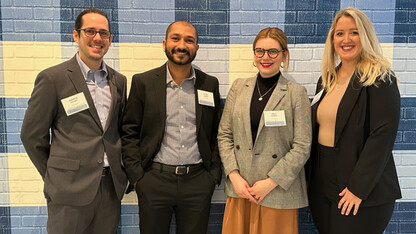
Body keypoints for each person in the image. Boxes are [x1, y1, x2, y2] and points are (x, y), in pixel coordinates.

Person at [20, 8, 128, 234]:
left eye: (104, 33)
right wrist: (56, 174)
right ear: (76, 35)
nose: (97, 38)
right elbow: (31, 136)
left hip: (109, 189)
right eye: (90, 31)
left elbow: (117, 131)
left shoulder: (119, 81)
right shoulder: (53, 78)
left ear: (110, 39)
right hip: (68, 191)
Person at [306, 7, 402, 234]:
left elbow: (382, 137)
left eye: (354, 32)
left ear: (365, 36)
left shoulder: (380, 78)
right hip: (322, 184)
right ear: (332, 39)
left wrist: (358, 189)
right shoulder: (326, 79)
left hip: (362, 189)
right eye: (340, 33)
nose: (346, 39)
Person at [121, 20, 222, 234]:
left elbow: (215, 132)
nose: (182, 45)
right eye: (176, 38)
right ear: (165, 43)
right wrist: (137, 177)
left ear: (196, 47)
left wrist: (212, 175)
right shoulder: (143, 82)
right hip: (154, 181)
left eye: (189, 40)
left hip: (198, 182)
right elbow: (129, 131)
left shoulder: (209, 84)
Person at [217, 27, 312, 234]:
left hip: (277, 191)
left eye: (272, 51)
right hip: (241, 189)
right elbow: (224, 135)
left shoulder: (296, 93)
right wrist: (234, 176)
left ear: (284, 55)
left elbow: (302, 146)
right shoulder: (238, 87)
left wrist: (270, 182)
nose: (265, 57)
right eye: (259, 51)